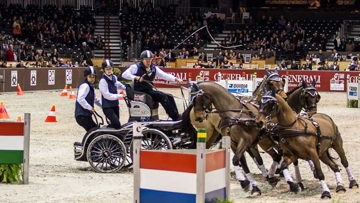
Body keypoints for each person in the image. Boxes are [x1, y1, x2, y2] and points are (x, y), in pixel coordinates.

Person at [122, 50, 183, 121]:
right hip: (141, 92)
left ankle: (176, 116)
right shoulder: (135, 67)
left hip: (149, 90)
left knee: (170, 96)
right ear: (142, 60)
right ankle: (174, 117)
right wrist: (136, 77)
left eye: (150, 60)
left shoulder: (153, 68)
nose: (148, 62)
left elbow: (164, 75)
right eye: (146, 60)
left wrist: (175, 79)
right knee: (163, 97)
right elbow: (124, 74)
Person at [99, 59, 126, 129]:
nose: (109, 70)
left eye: (110, 68)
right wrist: (120, 96)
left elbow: (117, 84)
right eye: (107, 69)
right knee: (117, 124)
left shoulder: (114, 77)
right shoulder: (103, 81)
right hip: (107, 107)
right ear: (104, 70)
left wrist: (126, 88)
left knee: (115, 124)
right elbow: (107, 95)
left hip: (115, 105)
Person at [75, 66, 102, 132]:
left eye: (93, 77)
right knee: (94, 131)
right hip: (82, 115)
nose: (92, 79)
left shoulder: (91, 86)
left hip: (85, 115)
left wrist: (103, 105)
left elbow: (95, 99)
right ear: (86, 77)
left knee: (93, 130)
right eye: (90, 77)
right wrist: (89, 107)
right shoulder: (85, 86)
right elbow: (80, 99)